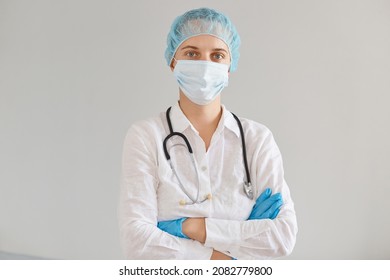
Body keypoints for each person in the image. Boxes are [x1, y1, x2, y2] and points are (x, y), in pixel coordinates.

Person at [118, 7, 297, 260]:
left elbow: (282, 236)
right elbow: (137, 242)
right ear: (173, 61)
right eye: (191, 54)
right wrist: (229, 258)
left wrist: (191, 228)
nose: (204, 65)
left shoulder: (257, 139)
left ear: (229, 64)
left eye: (217, 55)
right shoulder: (147, 136)